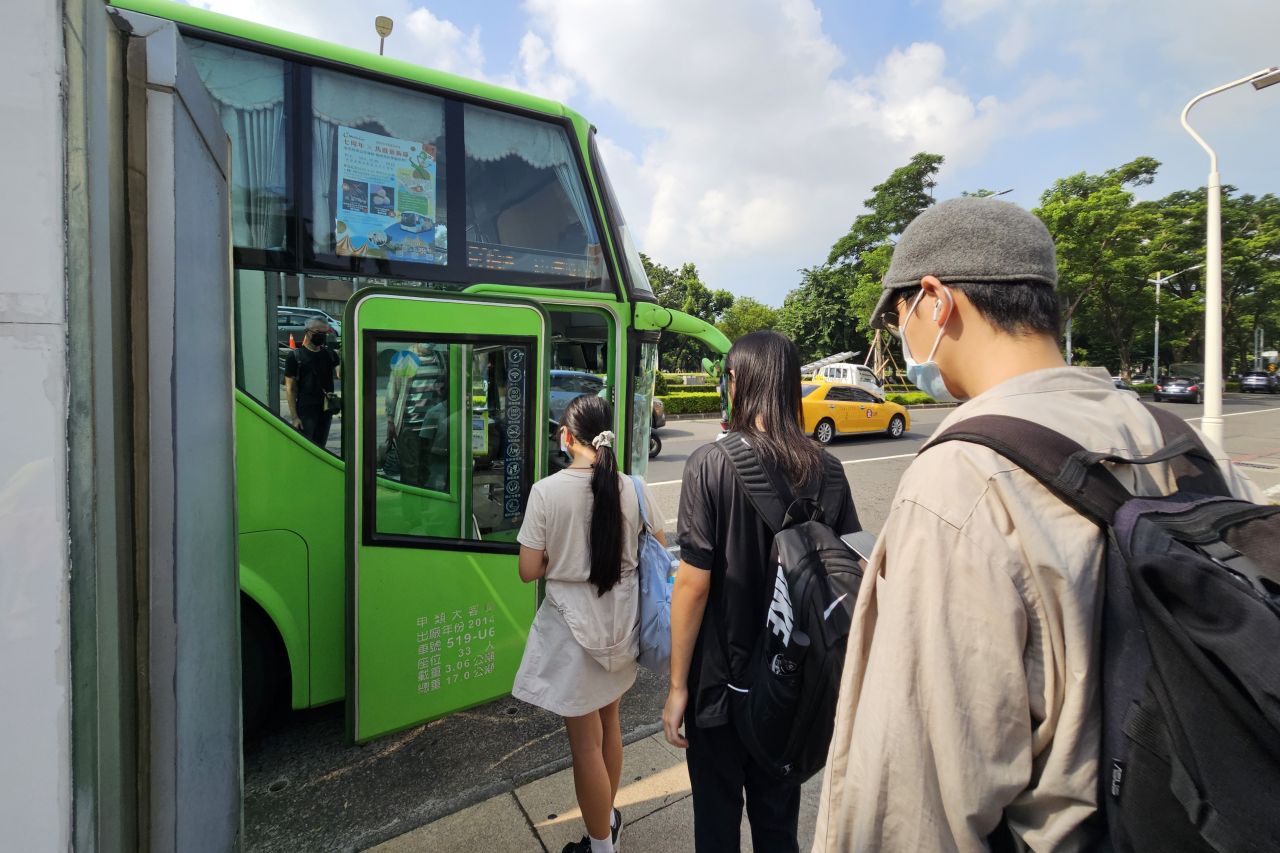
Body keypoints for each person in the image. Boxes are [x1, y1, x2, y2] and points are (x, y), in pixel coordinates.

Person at [814, 197, 1265, 851]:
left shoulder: (963, 476)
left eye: (898, 316)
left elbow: (914, 802)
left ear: (935, 300)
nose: (902, 338)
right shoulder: (1180, 439)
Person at [662, 330, 861, 853]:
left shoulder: (710, 463)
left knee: (716, 824)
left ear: (737, 382)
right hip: (793, 686)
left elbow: (692, 585)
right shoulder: (829, 470)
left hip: (720, 687)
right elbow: (852, 573)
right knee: (778, 825)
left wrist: (677, 687)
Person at [513, 394, 664, 853]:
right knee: (610, 724)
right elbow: (658, 546)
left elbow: (528, 569)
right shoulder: (633, 487)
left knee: (584, 746)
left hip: (573, 634)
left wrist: (563, 558)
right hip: (621, 627)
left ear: (566, 437)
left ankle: (601, 846)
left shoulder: (547, 491)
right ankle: (608, 820)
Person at [284, 317, 341, 449]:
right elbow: (290, 388)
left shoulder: (330, 354)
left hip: (326, 410)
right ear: (307, 332)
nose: (322, 336)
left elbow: (340, 374)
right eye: (318, 332)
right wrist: (294, 417)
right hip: (306, 411)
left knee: (320, 447)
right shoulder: (295, 356)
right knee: (306, 448)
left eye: (325, 333)